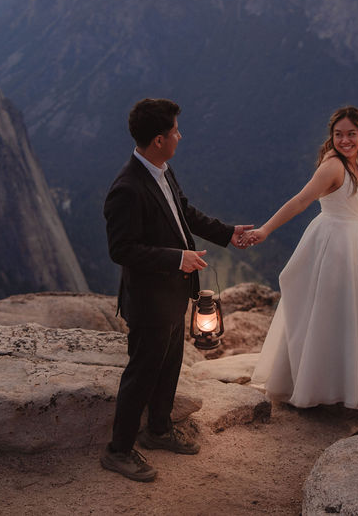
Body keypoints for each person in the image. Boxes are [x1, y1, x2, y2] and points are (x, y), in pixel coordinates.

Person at [101, 98, 252, 482]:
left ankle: (158, 430)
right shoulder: (127, 188)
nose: (179, 137)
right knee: (141, 372)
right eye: (174, 132)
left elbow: (184, 212)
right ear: (157, 140)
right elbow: (121, 250)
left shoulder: (161, 171)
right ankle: (118, 451)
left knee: (168, 366)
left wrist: (226, 233)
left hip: (172, 295)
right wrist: (176, 258)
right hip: (149, 300)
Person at [246, 106, 358, 409]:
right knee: (331, 312)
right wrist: (265, 229)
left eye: (351, 134)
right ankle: (323, 386)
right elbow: (300, 200)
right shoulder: (332, 167)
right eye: (338, 134)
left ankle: (345, 382)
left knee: (349, 310)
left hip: (357, 242)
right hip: (336, 245)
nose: (344, 140)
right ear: (332, 137)